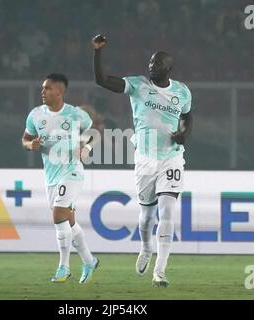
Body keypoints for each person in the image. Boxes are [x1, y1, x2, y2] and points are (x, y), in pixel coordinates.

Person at [92, 35, 192, 287]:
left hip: (171, 158)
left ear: (168, 68)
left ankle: (160, 271)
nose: (151, 66)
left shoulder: (181, 91)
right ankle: (146, 247)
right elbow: (102, 80)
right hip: (145, 159)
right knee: (146, 216)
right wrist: (98, 51)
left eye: (157, 63)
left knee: (167, 212)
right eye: (150, 62)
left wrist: (184, 133)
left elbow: (188, 117)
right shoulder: (137, 85)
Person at [22, 73, 99, 284]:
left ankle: (63, 267)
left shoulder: (76, 114)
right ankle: (89, 260)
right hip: (51, 177)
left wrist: (87, 146)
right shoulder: (35, 115)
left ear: (60, 91)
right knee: (69, 222)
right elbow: (25, 138)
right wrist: (31, 145)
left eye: (47, 88)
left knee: (58, 216)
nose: (43, 91)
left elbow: (94, 130)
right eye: (42, 88)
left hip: (72, 171)